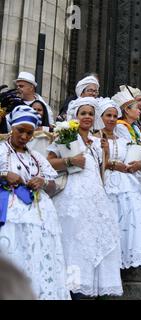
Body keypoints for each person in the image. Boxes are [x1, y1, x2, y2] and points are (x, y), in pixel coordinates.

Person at [47, 97, 123, 297]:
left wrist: (105, 155)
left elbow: (100, 173)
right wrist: (70, 160)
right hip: (71, 197)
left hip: (95, 196)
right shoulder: (65, 136)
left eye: (90, 113)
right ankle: (72, 287)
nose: (87, 117)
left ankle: (88, 287)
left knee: (93, 240)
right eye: (83, 113)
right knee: (73, 241)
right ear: (76, 116)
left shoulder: (98, 142)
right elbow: (49, 163)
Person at [0, 106, 70, 300]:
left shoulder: (37, 157)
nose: (24, 136)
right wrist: (4, 175)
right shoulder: (0, 150)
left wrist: (43, 182)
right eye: (20, 131)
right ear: (11, 128)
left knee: (36, 257)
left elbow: (54, 185)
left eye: (29, 133)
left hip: (39, 215)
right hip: (9, 215)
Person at [97, 98, 141, 269]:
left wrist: (140, 164)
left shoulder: (123, 139)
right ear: (100, 117)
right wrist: (110, 163)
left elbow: (132, 160)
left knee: (128, 222)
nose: (111, 119)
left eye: (114, 115)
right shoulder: (95, 139)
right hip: (105, 185)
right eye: (107, 116)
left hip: (126, 186)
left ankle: (125, 258)